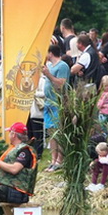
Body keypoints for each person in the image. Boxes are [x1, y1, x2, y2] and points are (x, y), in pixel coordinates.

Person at [41, 44, 70, 172]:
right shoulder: (49, 65)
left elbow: (61, 84)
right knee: (51, 132)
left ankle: (60, 160)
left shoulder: (62, 66)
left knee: (59, 132)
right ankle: (53, 160)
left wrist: (48, 75)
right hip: (48, 103)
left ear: (50, 53)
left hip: (58, 102)